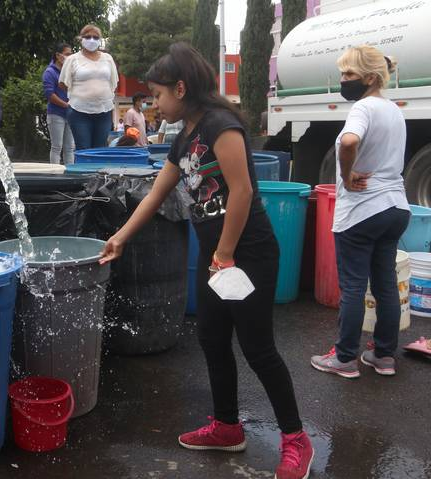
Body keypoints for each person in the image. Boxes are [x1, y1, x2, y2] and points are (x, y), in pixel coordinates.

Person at [98, 43, 313, 479]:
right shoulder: (183, 138)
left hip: (247, 253)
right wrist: (119, 238)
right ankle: (227, 426)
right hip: (220, 257)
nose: (154, 104)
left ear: (181, 87)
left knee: (258, 348)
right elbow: (157, 194)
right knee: (213, 340)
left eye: (158, 95)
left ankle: (296, 441)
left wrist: (227, 253)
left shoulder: (221, 124)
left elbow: (242, 191)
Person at [311, 46, 410, 378]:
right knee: (385, 285)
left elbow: (349, 142)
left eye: (348, 74)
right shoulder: (394, 110)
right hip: (396, 208)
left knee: (353, 286)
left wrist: (347, 173)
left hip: (363, 210)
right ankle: (383, 357)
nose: (343, 80)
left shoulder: (363, 108)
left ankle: (345, 358)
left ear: (369, 78)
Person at [59, 24, 118, 150]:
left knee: (100, 149)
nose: (92, 40)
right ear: (81, 39)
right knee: (83, 149)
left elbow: (113, 83)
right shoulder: (72, 59)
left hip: (104, 111)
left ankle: (99, 171)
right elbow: (63, 83)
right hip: (79, 112)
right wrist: (79, 94)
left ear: (100, 40)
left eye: (96, 37)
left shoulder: (108, 59)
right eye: (88, 36)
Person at [42, 42, 75, 165]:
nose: (69, 57)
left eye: (71, 54)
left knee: (70, 148)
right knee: (57, 147)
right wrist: (66, 105)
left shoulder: (69, 71)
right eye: (67, 54)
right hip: (56, 114)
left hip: (69, 114)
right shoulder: (50, 72)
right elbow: (50, 95)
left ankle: (70, 173)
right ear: (58, 55)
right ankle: (54, 174)